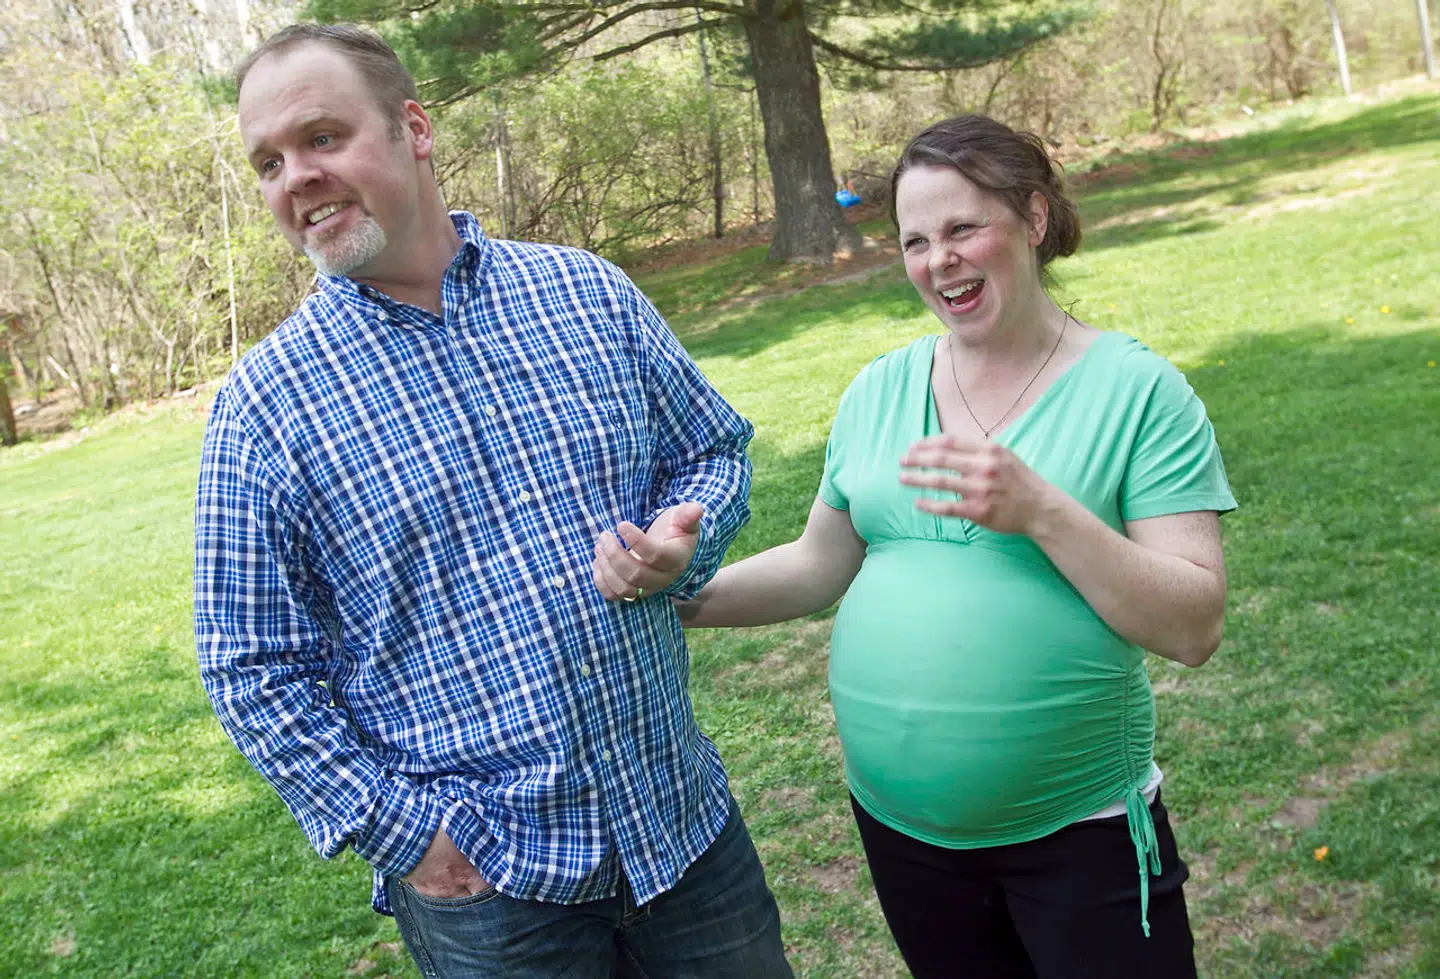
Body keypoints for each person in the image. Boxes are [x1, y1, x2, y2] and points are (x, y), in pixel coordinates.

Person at [194, 23, 793, 979]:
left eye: (321, 137)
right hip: (494, 904)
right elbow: (252, 669)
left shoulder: (586, 293)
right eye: (267, 161)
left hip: (686, 835)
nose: (294, 177)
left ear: (415, 128)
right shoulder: (265, 409)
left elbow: (711, 451)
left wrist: (691, 537)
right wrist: (405, 832)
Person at [677, 114, 1236, 978]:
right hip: (905, 839)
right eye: (915, 240)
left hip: (1079, 838)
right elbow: (818, 562)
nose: (939, 260)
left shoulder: (1138, 392)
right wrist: (678, 599)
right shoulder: (879, 388)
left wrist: (1043, 510)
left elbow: (1194, 625)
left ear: (1035, 219)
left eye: (963, 228)